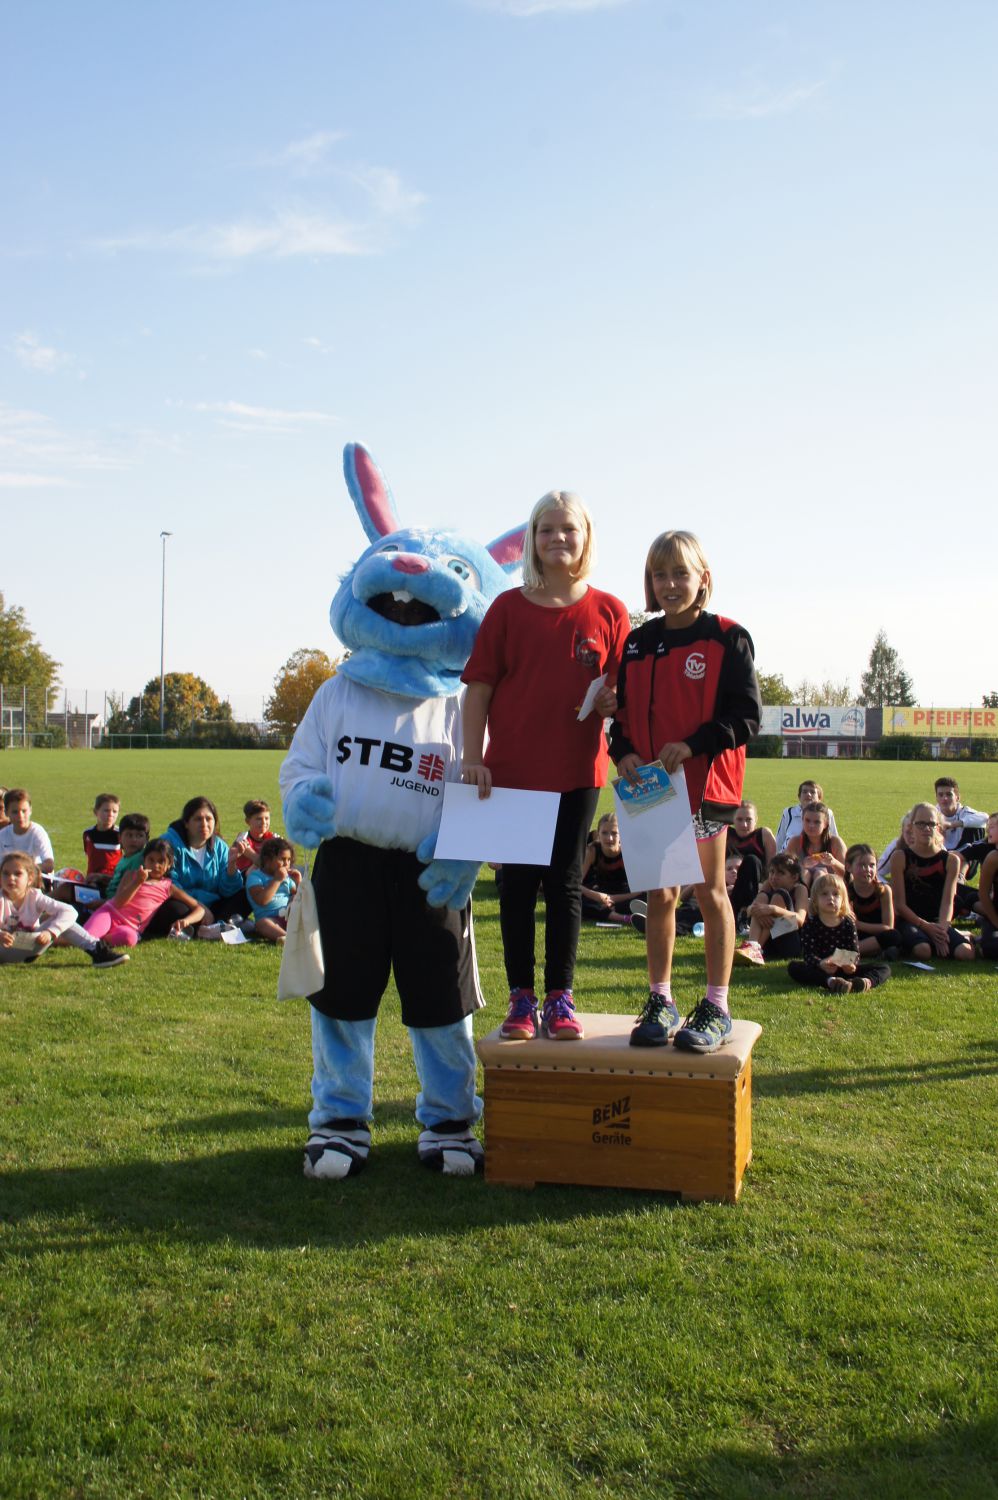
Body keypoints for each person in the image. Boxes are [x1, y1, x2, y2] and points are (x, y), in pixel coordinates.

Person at [462, 489, 630, 1042]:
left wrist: (615, 702)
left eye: (568, 528)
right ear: (532, 540)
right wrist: (472, 757)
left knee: (564, 886)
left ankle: (560, 997)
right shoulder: (507, 609)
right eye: (546, 529)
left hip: (578, 773)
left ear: (586, 537)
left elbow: (623, 693)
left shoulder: (610, 611)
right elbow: (478, 690)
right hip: (511, 773)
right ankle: (521, 999)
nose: (558, 537)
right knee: (515, 887)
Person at [609, 528, 761, 1052]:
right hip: (651, 788)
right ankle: (661, 999)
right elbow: (621, 716)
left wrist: (694, 745)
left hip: (706, 787)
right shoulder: (637, 643)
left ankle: (717, 1006)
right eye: (660, 574)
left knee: (711, 891)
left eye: (680, 573)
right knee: (660, 893)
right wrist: (623, 752)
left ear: (703, 579)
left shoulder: (728, 638)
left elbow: (746, 717)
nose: (669, 584)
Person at [0, 851, 127, 968]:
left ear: (30, 878)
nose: (11, 878)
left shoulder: (35, 896)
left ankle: (98, 951)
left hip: (30, 947)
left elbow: (69, 911)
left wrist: (50, 932)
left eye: (17, 874)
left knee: (64, 919)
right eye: (6, 873)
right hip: (3, 951)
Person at [890, 804, 974, 962]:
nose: (926, 828)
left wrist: (942, 930)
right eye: (921, 824)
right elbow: (899, 905)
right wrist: (925, 927)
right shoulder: (900, 857)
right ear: (911, 827)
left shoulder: (951, 860)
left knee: (965, 953)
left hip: (937, 921)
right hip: (910, 920)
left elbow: (948, 901)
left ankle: (953, 939)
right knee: (923, 951)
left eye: (931, 824)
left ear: (939, 827)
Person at [157, 797, 249, 938]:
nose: (204, 824)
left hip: (213, 904)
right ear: (186, 823)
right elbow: (169, 883)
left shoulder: (220, 846)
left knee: (246, 892)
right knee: (174, 909)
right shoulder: (169, 843)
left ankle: (215, 926)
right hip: (185, 903)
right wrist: (199, 907)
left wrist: (231, 864)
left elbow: (227, 891)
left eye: (208, 819)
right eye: (198, 819)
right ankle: (224, 924)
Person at [83, 840, 204, 947]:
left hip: (130, 928)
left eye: (161, 861)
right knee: (85, 938)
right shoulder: (131, 875)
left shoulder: (169, 887)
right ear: (144, 860)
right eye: (151, 860)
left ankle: (102, 941)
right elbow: (118, 902)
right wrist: (137, 882)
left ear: (169, 864)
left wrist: (186, 921)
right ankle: (94, 937)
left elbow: (200, 909)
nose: (155, 865)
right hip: (110, 914)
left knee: (130, 938)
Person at [787, 872, 890, 994]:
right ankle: (832, 982)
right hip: (821, 969)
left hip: (844, 968)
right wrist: (820, 963)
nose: (831, 898)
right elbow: (809, 954)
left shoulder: (848, 923)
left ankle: (863, 983)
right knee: (794, 967)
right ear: (815, 900)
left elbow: (854, 951)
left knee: (884, 968)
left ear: (843, 900)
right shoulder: (810, 924)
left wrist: (851, 965)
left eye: (836, 894)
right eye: (824, 894)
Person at [735, 852, 808, 964]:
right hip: (769, 944)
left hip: (789, 943)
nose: (774, 877)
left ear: (794, 877)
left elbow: (800, 920)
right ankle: (753, 945)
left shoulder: (800, 889)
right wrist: (760, 913)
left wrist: (774, 910)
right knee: (762, 896)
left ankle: (755, 950)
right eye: (772, 872)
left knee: (779, 895)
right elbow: (749, 910)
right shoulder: (768, 884)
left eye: (781, 873)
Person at [580, 813, 641, 925]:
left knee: (649, 895)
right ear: (598, 833)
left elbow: (641, 888)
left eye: (614, 833)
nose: (609, 838)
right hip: (599, 894)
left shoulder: (628, 853)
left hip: (623, 895)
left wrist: (613, 898)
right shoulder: (592, 851)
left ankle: (608, 911)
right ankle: (624, 918)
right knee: (575, 898)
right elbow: (575, 883)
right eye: (604, 833)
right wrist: (596, 896)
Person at [844, 843, 900, 959]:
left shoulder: (883, 891)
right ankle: (866, 951)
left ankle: (852, 952)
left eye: (872, 865)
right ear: (849, 867)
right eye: (861, 865)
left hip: (876, 936)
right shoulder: (844, 891)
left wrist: (859, 925)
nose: (867, 870)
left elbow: (888, 927)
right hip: (854, 936)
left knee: (893, 936)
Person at [245, 836, 301, 942]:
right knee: (262, 924)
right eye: (282, 859)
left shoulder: (287, 879)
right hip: (271, 920)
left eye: (289, 860)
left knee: (296, 901)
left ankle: (300, 935)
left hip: (288, 916)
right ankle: (289, 939)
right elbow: (262, 900)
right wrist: (277, 880)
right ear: (267, 860)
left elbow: (300, 898)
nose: (287, 863)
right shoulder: (255, 877)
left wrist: (298, 882)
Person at [786, 802, 847, 888]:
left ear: (825, 824)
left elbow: (849, 875)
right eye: (807, 820)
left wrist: (834, 863)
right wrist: (802, 864)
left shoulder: (835, 843)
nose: (811, 825)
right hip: (801, 888)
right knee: (804, 872)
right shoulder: (795, 842)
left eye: (817, 822)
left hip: (829, 890)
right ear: (802, 820)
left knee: (820, 873)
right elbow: (785, 870)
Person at [0, 789, 55, 875]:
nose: (20, 816)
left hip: (34, 878)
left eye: (24, 811)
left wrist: (22, 870)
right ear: (6, 813)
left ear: (30, 810)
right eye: (15, 812)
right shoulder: (3, 835)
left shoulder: (37, 832)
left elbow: (49, 865)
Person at [775, 781, 840, 852]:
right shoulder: (789, 812)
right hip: (789, 855)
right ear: (799, 797)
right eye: (804, 792)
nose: (808, 794)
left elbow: (834, 839)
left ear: (819, 798)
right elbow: (779, 840)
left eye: (812, 792)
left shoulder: (827, 813)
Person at [934, 777, 988, 854]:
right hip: (939, 853)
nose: (944, 798)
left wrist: (951, 824)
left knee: (976, 827)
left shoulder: (964, 812)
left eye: (949, 794)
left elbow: (985, 817)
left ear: (957, 798)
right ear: (936, 797)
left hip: (964, 853)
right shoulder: (932, 813)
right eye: (940, 795)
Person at [104, 814, 153, 899]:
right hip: (109, 897)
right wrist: (102, 877)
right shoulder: (125, 857)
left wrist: (101, 902)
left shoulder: (139, 859)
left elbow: (127, 893)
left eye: (139, 836)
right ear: (119, 838)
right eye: (129, 835)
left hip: (117, 902)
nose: (134, 839)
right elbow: (118, 880)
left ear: (147, 839)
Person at [82, 792, 122, 892]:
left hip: (112, 881)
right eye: (106, 810)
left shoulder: (120, 834)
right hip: (92, 880)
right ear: (95, 812)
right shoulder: (88, 834)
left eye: (115, 811)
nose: (111, 815)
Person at [232, 799, 273, 875]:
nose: (264, 822)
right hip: (243, 876)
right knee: (255, 867)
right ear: (247, 821)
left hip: (263, 875)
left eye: (267, 818)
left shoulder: (271, 837)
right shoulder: (243, 839)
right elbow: (258, 860)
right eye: (259, 819)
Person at [976, 837, 998, 958]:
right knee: (992, 948)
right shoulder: (993, 857)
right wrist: (995, 922)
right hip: (995, 915)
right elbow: (983, 893)